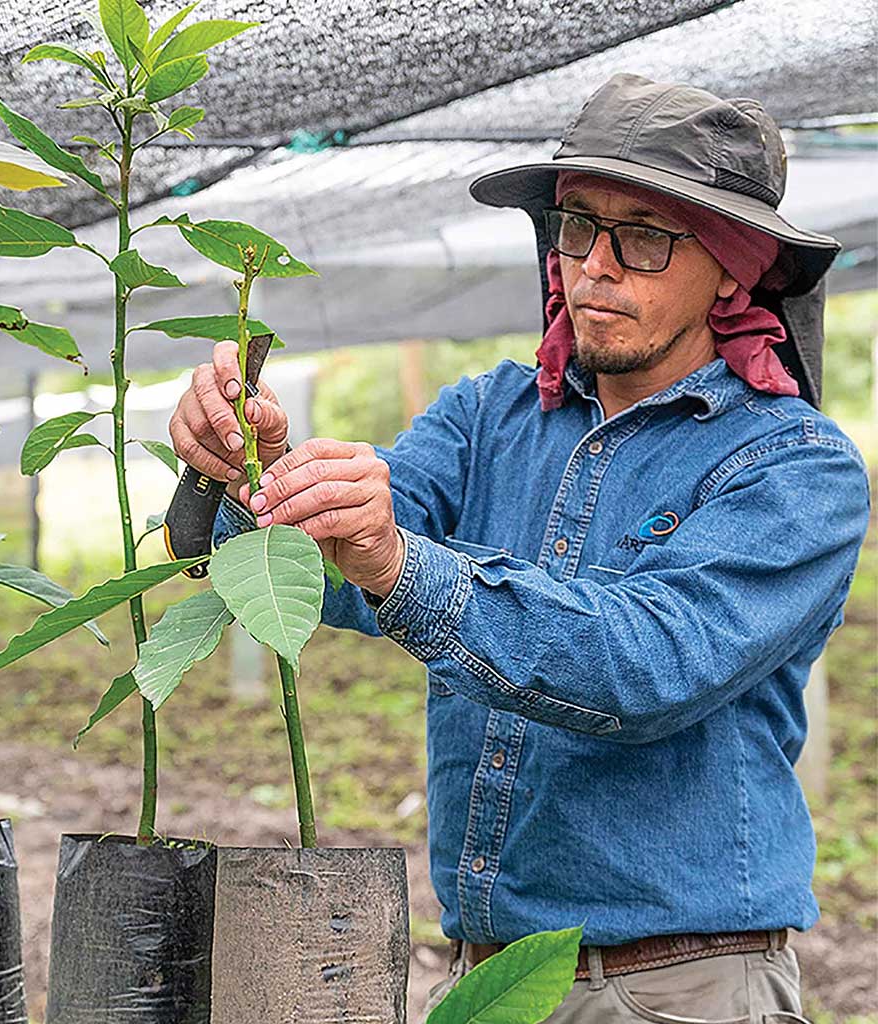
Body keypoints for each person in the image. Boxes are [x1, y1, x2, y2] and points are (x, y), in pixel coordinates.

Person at [169, 74, 870, 1022]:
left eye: (646, 237)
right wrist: (242, 470)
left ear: (732, 266)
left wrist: (401, 564)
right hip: (489, 980)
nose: (594, 268)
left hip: (680, 988)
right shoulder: (490, 415)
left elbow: (649, 663)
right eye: (579, 225)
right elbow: (348, 551)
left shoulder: (793, 468)